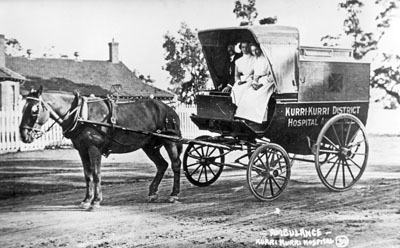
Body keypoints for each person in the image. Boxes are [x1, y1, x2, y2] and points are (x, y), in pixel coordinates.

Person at [235, 43, 276, 124]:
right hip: (259, 81)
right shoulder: (256, 60)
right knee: (248, 94)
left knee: (259, 95)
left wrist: (262, 84)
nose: (255, 52)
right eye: (253, 51)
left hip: (268, 82)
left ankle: (260, 119)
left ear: (260, 49)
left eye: (256, 50)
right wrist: (254, 83)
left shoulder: (267, 59)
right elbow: (255, 75)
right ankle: (247, 118)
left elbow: (272, 75)